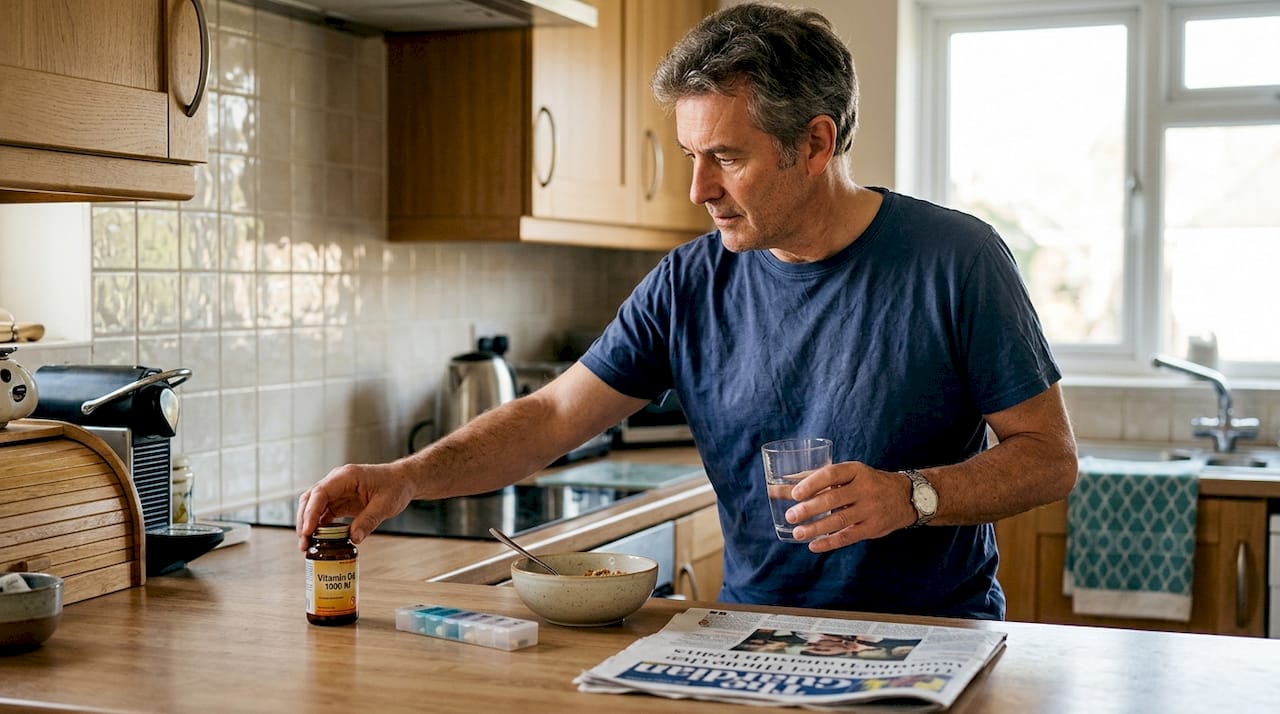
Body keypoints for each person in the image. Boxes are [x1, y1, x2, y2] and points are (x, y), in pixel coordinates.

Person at [296, 1, 1077, 620]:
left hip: (932, 638)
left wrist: (912, 496)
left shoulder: (956, 260)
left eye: (726, 158)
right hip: (752, 637)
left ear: (814, 142)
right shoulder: (690, 282)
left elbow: (1049, 457)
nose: (698, 189)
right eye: (690, 157)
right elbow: (552, 416)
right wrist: (406, 477)